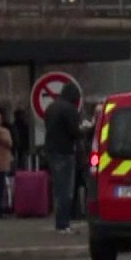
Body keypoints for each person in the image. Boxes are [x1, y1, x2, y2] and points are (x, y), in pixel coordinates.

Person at [43, 82, 83, 234]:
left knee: (58, 189)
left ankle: (60, 221)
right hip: (65, 151)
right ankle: (63, 224)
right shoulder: (70, 109)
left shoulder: (51, 108)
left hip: (52, 150)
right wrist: (85, 130)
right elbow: (74, 131)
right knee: (67, 190)